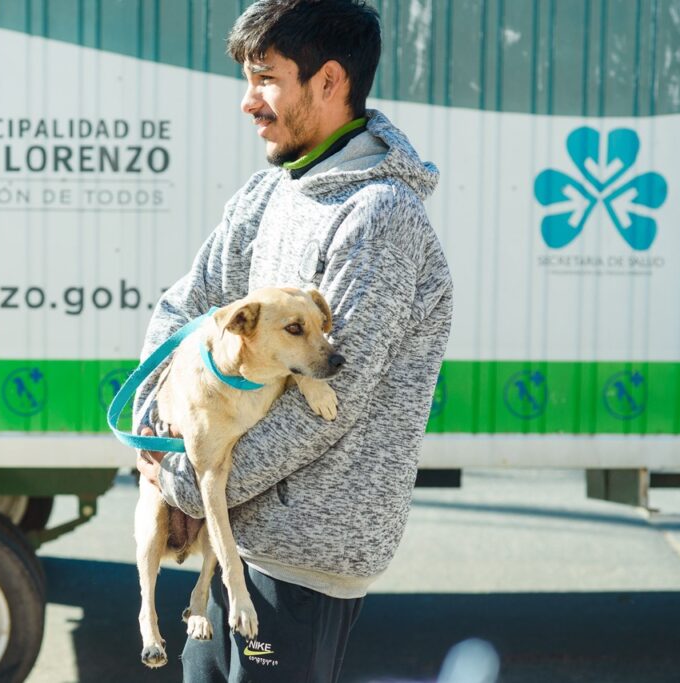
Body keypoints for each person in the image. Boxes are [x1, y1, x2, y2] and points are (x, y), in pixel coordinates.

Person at [133, 1, 453, 681]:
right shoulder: (268, 193)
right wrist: (155, 445)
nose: (249, 102)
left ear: (330, 81)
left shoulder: (381, 217)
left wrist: (189, 482)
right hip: (233, 545)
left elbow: (326, 400)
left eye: (265, 79)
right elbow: (184, 310)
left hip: (301, 562)